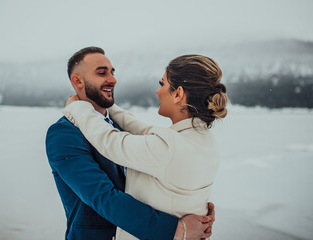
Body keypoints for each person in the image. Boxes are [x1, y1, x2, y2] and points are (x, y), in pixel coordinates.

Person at [46, 47, 215, 240]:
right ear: (78, 81)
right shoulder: (64, 133)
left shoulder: (122, 130)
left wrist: (196, 213)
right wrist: (176, 229)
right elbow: (102, 197)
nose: (112, 79)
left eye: (112, 72)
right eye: (102, 73)